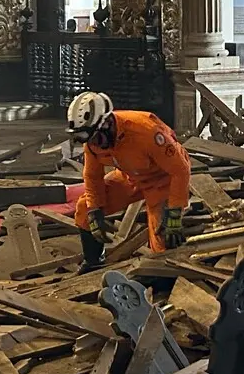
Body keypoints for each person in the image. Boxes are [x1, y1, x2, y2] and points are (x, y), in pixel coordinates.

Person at [67, 91, 191, 272]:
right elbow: (93, 177)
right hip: (130, 175)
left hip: (162, 178)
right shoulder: (93, 142)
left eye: (96, 139)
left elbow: (180, 170)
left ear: (107, 124)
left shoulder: (146, 131)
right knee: (85, 208)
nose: (95, 144)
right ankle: (93, 262)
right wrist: (95, 210)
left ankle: (167, 276)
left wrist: (174, 213)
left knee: (162, 236)